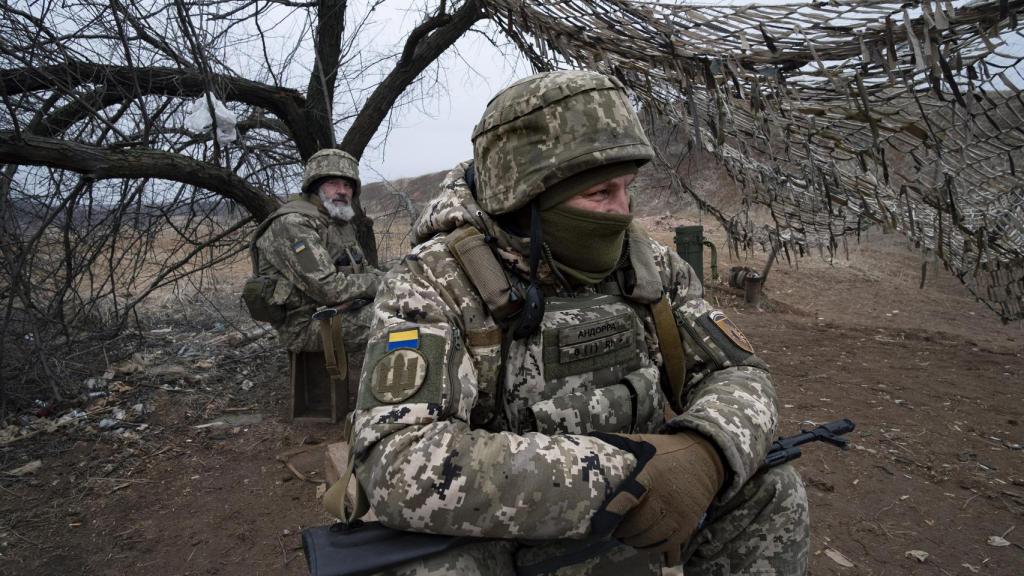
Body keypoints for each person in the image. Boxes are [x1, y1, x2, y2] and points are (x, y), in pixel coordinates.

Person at [347, 71, 808, 574]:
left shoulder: (647, 264)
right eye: (600, 194)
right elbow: (398, 462)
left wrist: (708, 449)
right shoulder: (434, 281)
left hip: (650, 508)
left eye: (628, 189)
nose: (622, 212)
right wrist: (628, 475)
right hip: (515, 528)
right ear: (526, 196)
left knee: (773, 490)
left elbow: (740, 372)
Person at [245, 149, 382, 420]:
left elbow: (363, 272)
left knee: (410, 300)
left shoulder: (339, 220)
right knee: (395, 320)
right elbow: (328, 288)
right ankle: (387, 406)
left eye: (347, 185)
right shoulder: (293, 223)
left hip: (337, 312)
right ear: (315, 186)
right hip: (306, 324)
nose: (341, 191)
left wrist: (400, 274)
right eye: (333, 184)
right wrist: (383, 283)